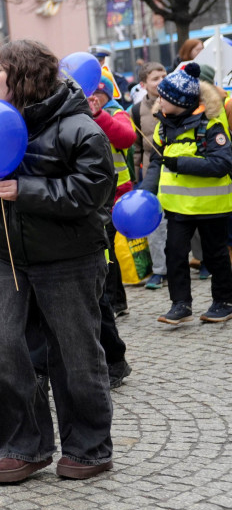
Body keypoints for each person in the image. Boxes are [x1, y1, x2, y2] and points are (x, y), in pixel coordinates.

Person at [0, 40, 116, 483]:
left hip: (69, 259)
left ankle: (89, 447)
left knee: (74, 353)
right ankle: (24, 446)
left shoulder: (81, 129)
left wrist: (25, 191)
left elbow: (93, 192)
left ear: (23, 76)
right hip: (4, 256)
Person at [142, 63, 232, 325]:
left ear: (179, 102)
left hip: (212, 207)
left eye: (164, 97)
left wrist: (180, 164)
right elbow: (156, 163)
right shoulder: (162, 127)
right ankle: (180, 304)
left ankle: (224, 302)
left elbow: (222, 164)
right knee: (174, 254)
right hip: (177, 207)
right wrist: (146, 192)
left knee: (215, 255)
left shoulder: (211, 127)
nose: (159, 100)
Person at [89, 71, 137, 318]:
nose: (95, 97)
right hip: (93, 192)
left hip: (116, 192)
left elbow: (126, 138)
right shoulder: (78, 115)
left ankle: (114, 300)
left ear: (108, 95)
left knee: (107, 247)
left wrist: (99, 116)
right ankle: (114, 299)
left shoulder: (117, 114)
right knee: (104, 248)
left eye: (99, 93)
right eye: (91, 93)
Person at [131, 62, 169, 289]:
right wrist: (137, 179)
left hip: (177, 171)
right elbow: (136, 148)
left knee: (184, 220)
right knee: (155, 225)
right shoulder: (136, 111)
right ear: (143, 84)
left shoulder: (179, 102)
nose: (161, 81)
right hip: (151, 174)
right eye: (155, 78)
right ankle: (160, 270)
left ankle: (201, 260)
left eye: (164, 75)